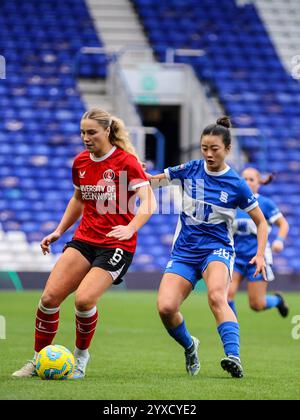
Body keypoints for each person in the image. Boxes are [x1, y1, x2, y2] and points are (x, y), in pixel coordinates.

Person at [12, 108, 156, 379]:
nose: (85, 137)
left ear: (106, 131)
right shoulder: (80, 162)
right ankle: (37, 360)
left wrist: (131, 227)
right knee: (48, 299)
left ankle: (80, 357)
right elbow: (78, 199)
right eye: (82, 132)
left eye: (91, 132)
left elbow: (149, 201)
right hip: (84, 239)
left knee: (84, 300)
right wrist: (58, 230)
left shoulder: (127, 162)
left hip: (116, 244)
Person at [150, 116, 268, 378]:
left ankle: (233, 357)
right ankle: (190, 346)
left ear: (227, 149)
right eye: (204, 148)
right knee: (166, 308)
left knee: (217, 295)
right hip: (185, 251)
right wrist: (135, 178)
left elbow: (262, 223)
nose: (209, 153)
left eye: (214, 148)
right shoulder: (191, 169)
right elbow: (155, 180)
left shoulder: (236, 184)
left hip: (217, 248)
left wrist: (260, 254)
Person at [228, 167, 289, 318]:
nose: (247, 182)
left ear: (259, 183)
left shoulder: (265, 203)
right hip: (235, 257)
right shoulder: (233, 203)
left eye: (251, 179)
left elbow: (283, 224)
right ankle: (232, 335)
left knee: (256, 304)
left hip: (257, 258)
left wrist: (279, 240)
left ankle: (277, 300)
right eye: (244, 179)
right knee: (226, 297)